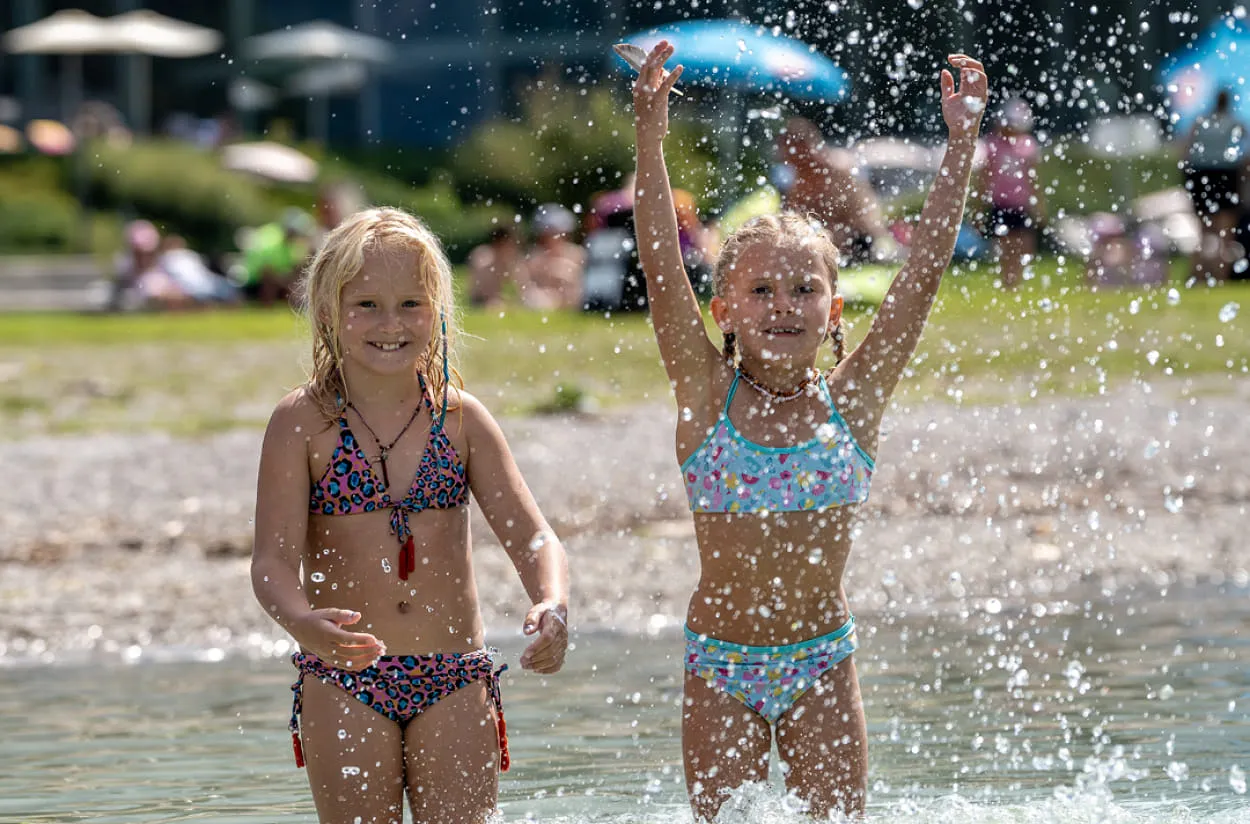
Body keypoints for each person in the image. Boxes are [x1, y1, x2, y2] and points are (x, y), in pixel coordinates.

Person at [631, 42, 986, 820]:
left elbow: (920, 278)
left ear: (834, 312)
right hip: (721, 664)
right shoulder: (704, 394)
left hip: (823, 661)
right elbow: (662, 269)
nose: (784, 304)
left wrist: (960, 146)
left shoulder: (852, 402)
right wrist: (649, 141)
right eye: (759, 289)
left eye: (803, 289)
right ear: (723, 311)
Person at [251, 207, 570, 824]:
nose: (390, 323)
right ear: (325, 311)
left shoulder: (461, 421)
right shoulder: (303, 423)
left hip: (453, 674)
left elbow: (534, 536)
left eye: (411, 305)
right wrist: (299, 621)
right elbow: (271, 562)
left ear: (439, 312)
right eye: (366, 304)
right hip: (343, 676)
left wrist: (551, 602)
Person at [777, 116, 892, 265]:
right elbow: (791, 220)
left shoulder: (839, 170)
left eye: (790, 151)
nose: (785, 158)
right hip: (820, 241)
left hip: (856, 240)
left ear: (807, 147)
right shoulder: (796, 180)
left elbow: (866, 218)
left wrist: (834, 231)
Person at [1180, 89, 1247, 282]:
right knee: (1226, 233)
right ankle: (1221, 276)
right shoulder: (1235, 123)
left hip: (1202, 173)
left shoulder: (1200, 122)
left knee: (1203, 233)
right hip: (1226, 173)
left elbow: (1185, 150)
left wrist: (1187, 179)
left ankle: (1197, 275)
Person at [978, 96, 1043, 289]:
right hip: (1001, 203)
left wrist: (1039, 206)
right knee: (1006, 246)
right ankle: (1008, 280)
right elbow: (985, 177)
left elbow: (1033, 179)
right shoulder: (993, 144)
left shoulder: (1027, 146)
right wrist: (981, 205)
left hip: (1021, 203)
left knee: (1025, 245)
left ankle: (1017, 280)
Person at [236, 208, 317, 306]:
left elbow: (293, 266)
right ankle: (267, 306)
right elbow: (265, 271)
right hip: (254, 282)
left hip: (273, 278)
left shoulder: (288, 242)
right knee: (271, 281)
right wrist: (286, 284)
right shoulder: (272, 238)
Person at [520, 203, 585, 310]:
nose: (554, 238)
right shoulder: (535, 256)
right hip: (543, 301)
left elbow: (580, 284)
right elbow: (526, 286)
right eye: (549, 234)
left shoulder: (576, 253)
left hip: (571, 300)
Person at [466, 224, 525, 308]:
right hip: (480, 301)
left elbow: (522, 289)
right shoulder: (483, 257)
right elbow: (481, 292)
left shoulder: (512, 262)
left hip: (496, 301)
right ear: (502, 243)